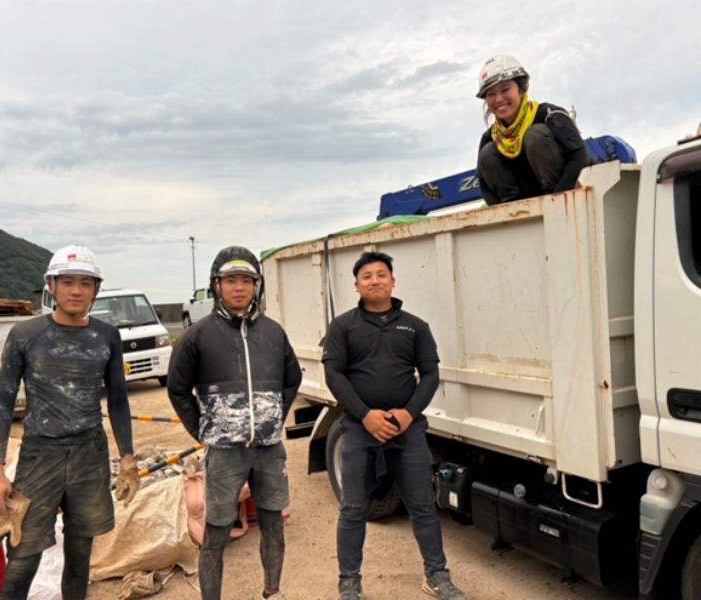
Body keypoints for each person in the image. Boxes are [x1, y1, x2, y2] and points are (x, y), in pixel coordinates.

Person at [0, 245, 139, 600]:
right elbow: (3, 403)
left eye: (86, 283)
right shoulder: (25, 334)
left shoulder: (107, 336)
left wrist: (129, 459)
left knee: (80, 558)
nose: (76, 291)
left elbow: (118, 400)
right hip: (41, 456)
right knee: (22, 556)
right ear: (51, 286)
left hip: (90, 456)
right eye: (67, 282)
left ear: (96, 290)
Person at [322, 251, 466, 600]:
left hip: (407, 429)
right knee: (354, 509)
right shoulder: (343, 326)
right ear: (356, 285)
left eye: (381, 274)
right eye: (367, 276)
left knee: (423, 505)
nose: (375, 280)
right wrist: (365, 415)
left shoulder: (415, 326)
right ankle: (349, 583)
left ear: (393, 281)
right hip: (359, 428)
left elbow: (430, 374)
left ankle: (436, 575)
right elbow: (334, 375)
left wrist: (408, 414)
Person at [168, 246, 302, 600]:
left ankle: (272, 592)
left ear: (257, 285)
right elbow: (178, 389)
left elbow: (292, 380)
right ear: (216, 285)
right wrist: (204, 429)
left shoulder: (273, 333)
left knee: (273, 526)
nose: (239, 287)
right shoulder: (198, 335)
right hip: (224, 454)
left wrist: (273, 417)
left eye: (246, 280)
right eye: (230, 280)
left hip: (269, 451)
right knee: (216, 531)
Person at [476, 54, 590, 206]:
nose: (499, 99)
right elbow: (484, 185)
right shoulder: (489, 138)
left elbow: (580, 158)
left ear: (522, 89)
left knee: (535, 135)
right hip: (522, 211)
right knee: (487, 153)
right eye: (491, 94)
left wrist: (555, 202)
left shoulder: (551, 116)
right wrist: (505, 213)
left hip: (567, 200)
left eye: (505, 89)